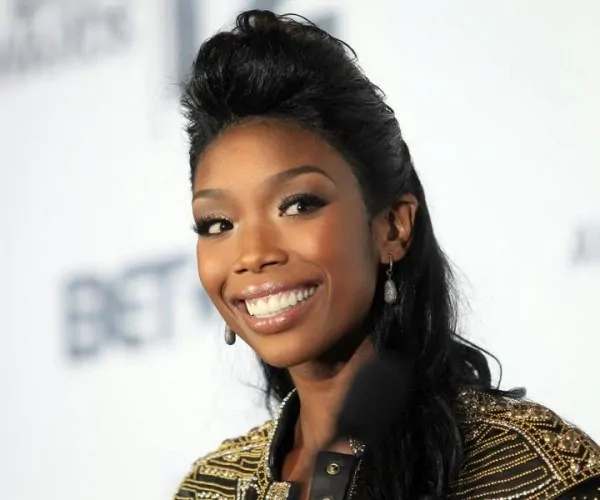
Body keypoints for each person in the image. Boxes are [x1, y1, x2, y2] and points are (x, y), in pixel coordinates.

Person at [174, 9, 600, 500]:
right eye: (218, 224)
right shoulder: (209, 488)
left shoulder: (530, 472)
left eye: (298, 205)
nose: (252, 255)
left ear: (393, 227)